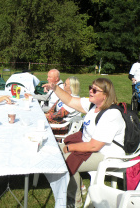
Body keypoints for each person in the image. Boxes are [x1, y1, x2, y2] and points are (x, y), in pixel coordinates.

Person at [43, 78, 125, 207]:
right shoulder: (93, 105)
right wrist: (55, 88)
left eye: (94, 90)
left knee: (65, 159)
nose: (90, 92)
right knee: (55, 150)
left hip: (108, 155)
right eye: (90, 88)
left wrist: (70, 147)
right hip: (91, 146)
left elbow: (94, 145)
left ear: (105, 95)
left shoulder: (111, 114)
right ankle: (77, 187)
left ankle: (74, 200)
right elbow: (70, 100)